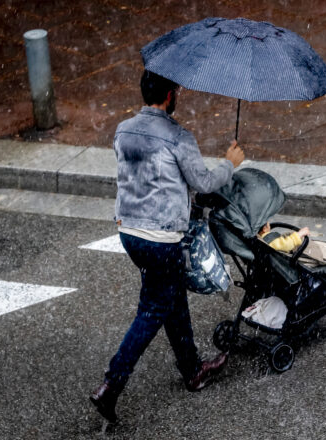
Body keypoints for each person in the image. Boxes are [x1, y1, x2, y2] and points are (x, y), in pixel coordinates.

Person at [90, 70, 245, 424]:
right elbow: (203, 184)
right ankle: (111, 385)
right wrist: (229, 164)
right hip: (161, 237)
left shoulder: (123, 129)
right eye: (177, 90)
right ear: (171, 96)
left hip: (129, 232)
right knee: (153, 309)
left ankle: (193, 370)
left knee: (172, 297)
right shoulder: (178, 136)